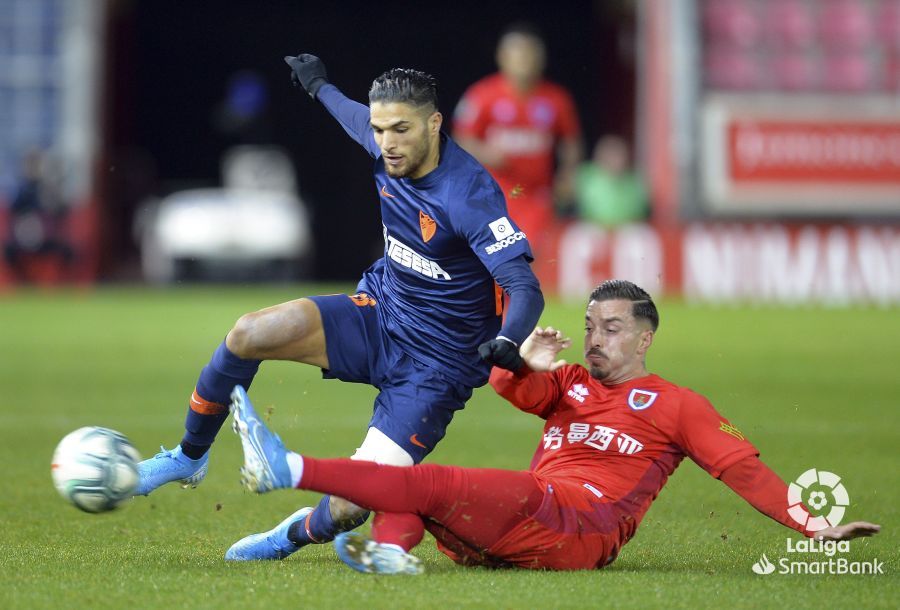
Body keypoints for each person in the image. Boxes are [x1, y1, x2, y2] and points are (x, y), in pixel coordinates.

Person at [136, 55, 545, 563]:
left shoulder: (469, 195)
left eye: (401, 129)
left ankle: (289, 536)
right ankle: (188, 457)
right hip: (382, 312)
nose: (388, 142)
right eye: (379, 129)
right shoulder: (380, 141)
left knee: (352, 505)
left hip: (437, 367)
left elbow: (524, 286)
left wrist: (509, 338)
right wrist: (317, 85)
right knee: (248, 333)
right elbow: (346, 110)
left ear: (435, 123)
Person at [227, 279, 880, 573]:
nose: (596, 340)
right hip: (525, 523)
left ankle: (288, 469)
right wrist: (520, 360)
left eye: (613, 329)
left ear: (646, 337)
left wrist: (811, 525)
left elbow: (743, 470)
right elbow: (513, 388)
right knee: (416, 492)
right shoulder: (569, 384)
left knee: (420, 486)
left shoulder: (679, 405)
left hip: (579, 525)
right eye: (591, 327)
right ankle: (387, 553)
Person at [453, 22, 583, 254]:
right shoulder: (482, 95)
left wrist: (568, 173)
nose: (525, 59)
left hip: (536, 196)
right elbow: (461, 138)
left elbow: (571, 141)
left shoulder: (556, 99)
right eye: (518, 52)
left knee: (527, 255)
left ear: (541, 57)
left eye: (531, 52)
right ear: (503, 56)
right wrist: (485, 153)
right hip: (491, 194)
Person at [575, 135, 648, 226]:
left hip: (626, 231)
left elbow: (640, 211)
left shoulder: (634, 183)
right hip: (592, 230)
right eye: (611, 155)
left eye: (618, 156)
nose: (615, 161)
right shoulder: (585, 177)